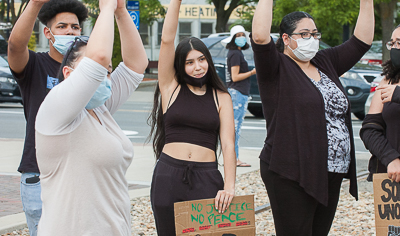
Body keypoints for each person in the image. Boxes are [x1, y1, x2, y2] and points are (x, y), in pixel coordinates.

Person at [251, 0, 374, 235]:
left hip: (331, 171)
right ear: (286, 39)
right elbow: (259, 36)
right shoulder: (275, 67)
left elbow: (361, 42)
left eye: (314, 33)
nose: (311, 39)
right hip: (291, 172)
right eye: (304, 34)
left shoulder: (324, 62)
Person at [34, 0, 148, 234]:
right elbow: (97, 57)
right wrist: (105, 8)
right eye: (95, 71)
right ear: (68, 73)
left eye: (107, 71)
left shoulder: (100, 108)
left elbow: (136, 65)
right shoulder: (56, 109)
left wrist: (121, 11)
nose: (103, 77)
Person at [147, 0, 236, 234]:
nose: (197, 67)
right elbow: (167, 40)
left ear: (208, 60)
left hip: (207, 177)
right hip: (168, 175)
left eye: (201, 59)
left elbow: (227, 144)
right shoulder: (170, 87)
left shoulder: (221, 97)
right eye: (189, 62)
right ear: (180, 65)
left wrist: (229, 186)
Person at [7, 0, 87, 235]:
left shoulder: (87, 71)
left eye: (75, 26)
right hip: (39, 174)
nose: (70, 31)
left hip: (79, 171)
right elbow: (15, 46)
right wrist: (35, 4)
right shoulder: (35, 65)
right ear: (48, 32)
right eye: (62, 26)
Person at [360, 25, 400, 183]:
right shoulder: (388, 80)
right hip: (393, 178)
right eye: (393, 43)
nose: (395, 48)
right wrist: (390, 158)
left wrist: (397, 94)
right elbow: (370, 129)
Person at [221, 25, 256, 167]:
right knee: (235, 128)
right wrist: (252, 72)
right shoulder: (235, 54)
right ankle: (233, 159)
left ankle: (231, 158)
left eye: (243, 35)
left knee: (233, 127)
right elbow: (235, 77)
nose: (241, 37)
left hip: (236, 92)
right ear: (233, 38)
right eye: (238, 35)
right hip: (238, 92)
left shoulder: (233, 53)